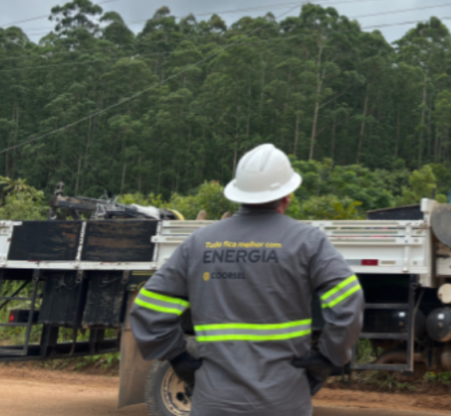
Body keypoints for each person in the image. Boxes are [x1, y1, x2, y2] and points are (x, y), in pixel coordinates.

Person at [131, 144, 364, 416]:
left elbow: (148, 308)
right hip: (284, 401)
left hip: (214, 402)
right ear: (287, 195)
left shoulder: (199, 243)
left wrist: (178, 357)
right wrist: (328, 358)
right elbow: (349, 301)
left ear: (238, 194)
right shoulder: (308, 242)